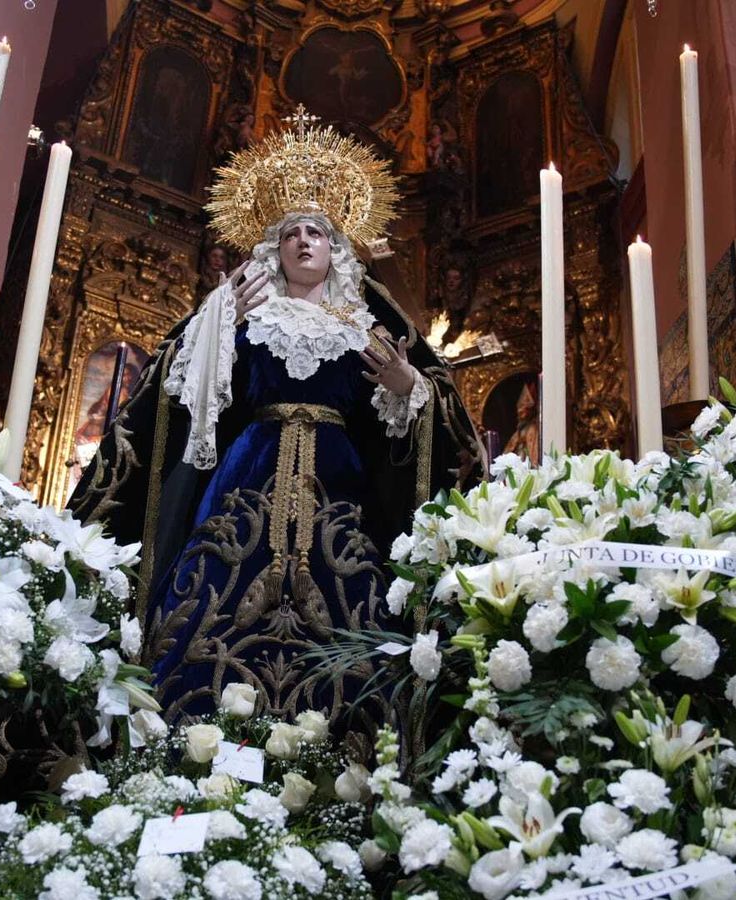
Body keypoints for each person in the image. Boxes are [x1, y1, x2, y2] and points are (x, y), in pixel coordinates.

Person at [71, 111, 483, 734]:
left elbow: (421, 418)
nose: (303, 241)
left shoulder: (364, 324)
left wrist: (408, 388)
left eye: (317, 231)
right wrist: (218, 326)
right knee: (211, 592)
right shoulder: (241, 312)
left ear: (337, 249)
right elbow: (178, 392)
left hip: (340, 488)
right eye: (291, 232)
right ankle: (189, 739)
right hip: (248, 474)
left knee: (356, 601)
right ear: (274, 247)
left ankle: (347, 741)